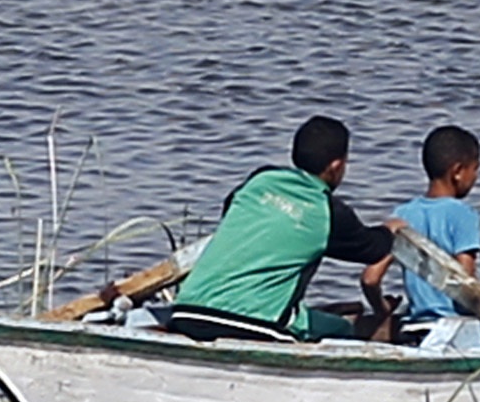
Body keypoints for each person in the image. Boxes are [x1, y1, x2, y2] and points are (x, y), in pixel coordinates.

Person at [165, 116, 392, 343]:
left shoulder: (260, 180)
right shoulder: (328, 212)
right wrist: (391, 229)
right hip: (253, 325)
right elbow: (372, 249)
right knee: (343, 329)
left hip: (187, 311)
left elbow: (230, 211)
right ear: (336, 166)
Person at [364, 124, 480, 337]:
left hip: (414, 329)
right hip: (453, 331)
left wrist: (382, 311)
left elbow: (370, 278)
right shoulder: (462, 214)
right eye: (475, 169)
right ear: (458, 172)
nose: (476, 177)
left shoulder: (402, 214)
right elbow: (467, 289)